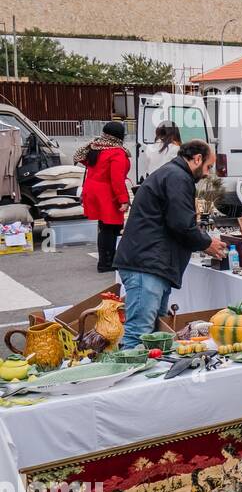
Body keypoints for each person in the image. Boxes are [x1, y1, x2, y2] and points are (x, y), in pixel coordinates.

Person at [114, 141, 226, 349]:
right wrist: (206, 243)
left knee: (155, 333)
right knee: (139, 334)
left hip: (151, 264)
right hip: (146, 265)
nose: (208, 173)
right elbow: (181, 224)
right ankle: (126, 375)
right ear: (197, 159)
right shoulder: (177, 177)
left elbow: (177, 222)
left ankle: (147, 377)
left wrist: (202, 241)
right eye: (209, 167)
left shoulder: (174, 175)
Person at [77, 121, 131, 273]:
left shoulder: (96, 147)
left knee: (103, 226)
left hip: (93, 190)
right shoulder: (116, 152)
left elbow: (85, 161)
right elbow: (117, 179)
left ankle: (105, 260)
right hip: (107, 193)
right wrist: (123, 199)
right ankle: (107, 263)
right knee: (111, 227)